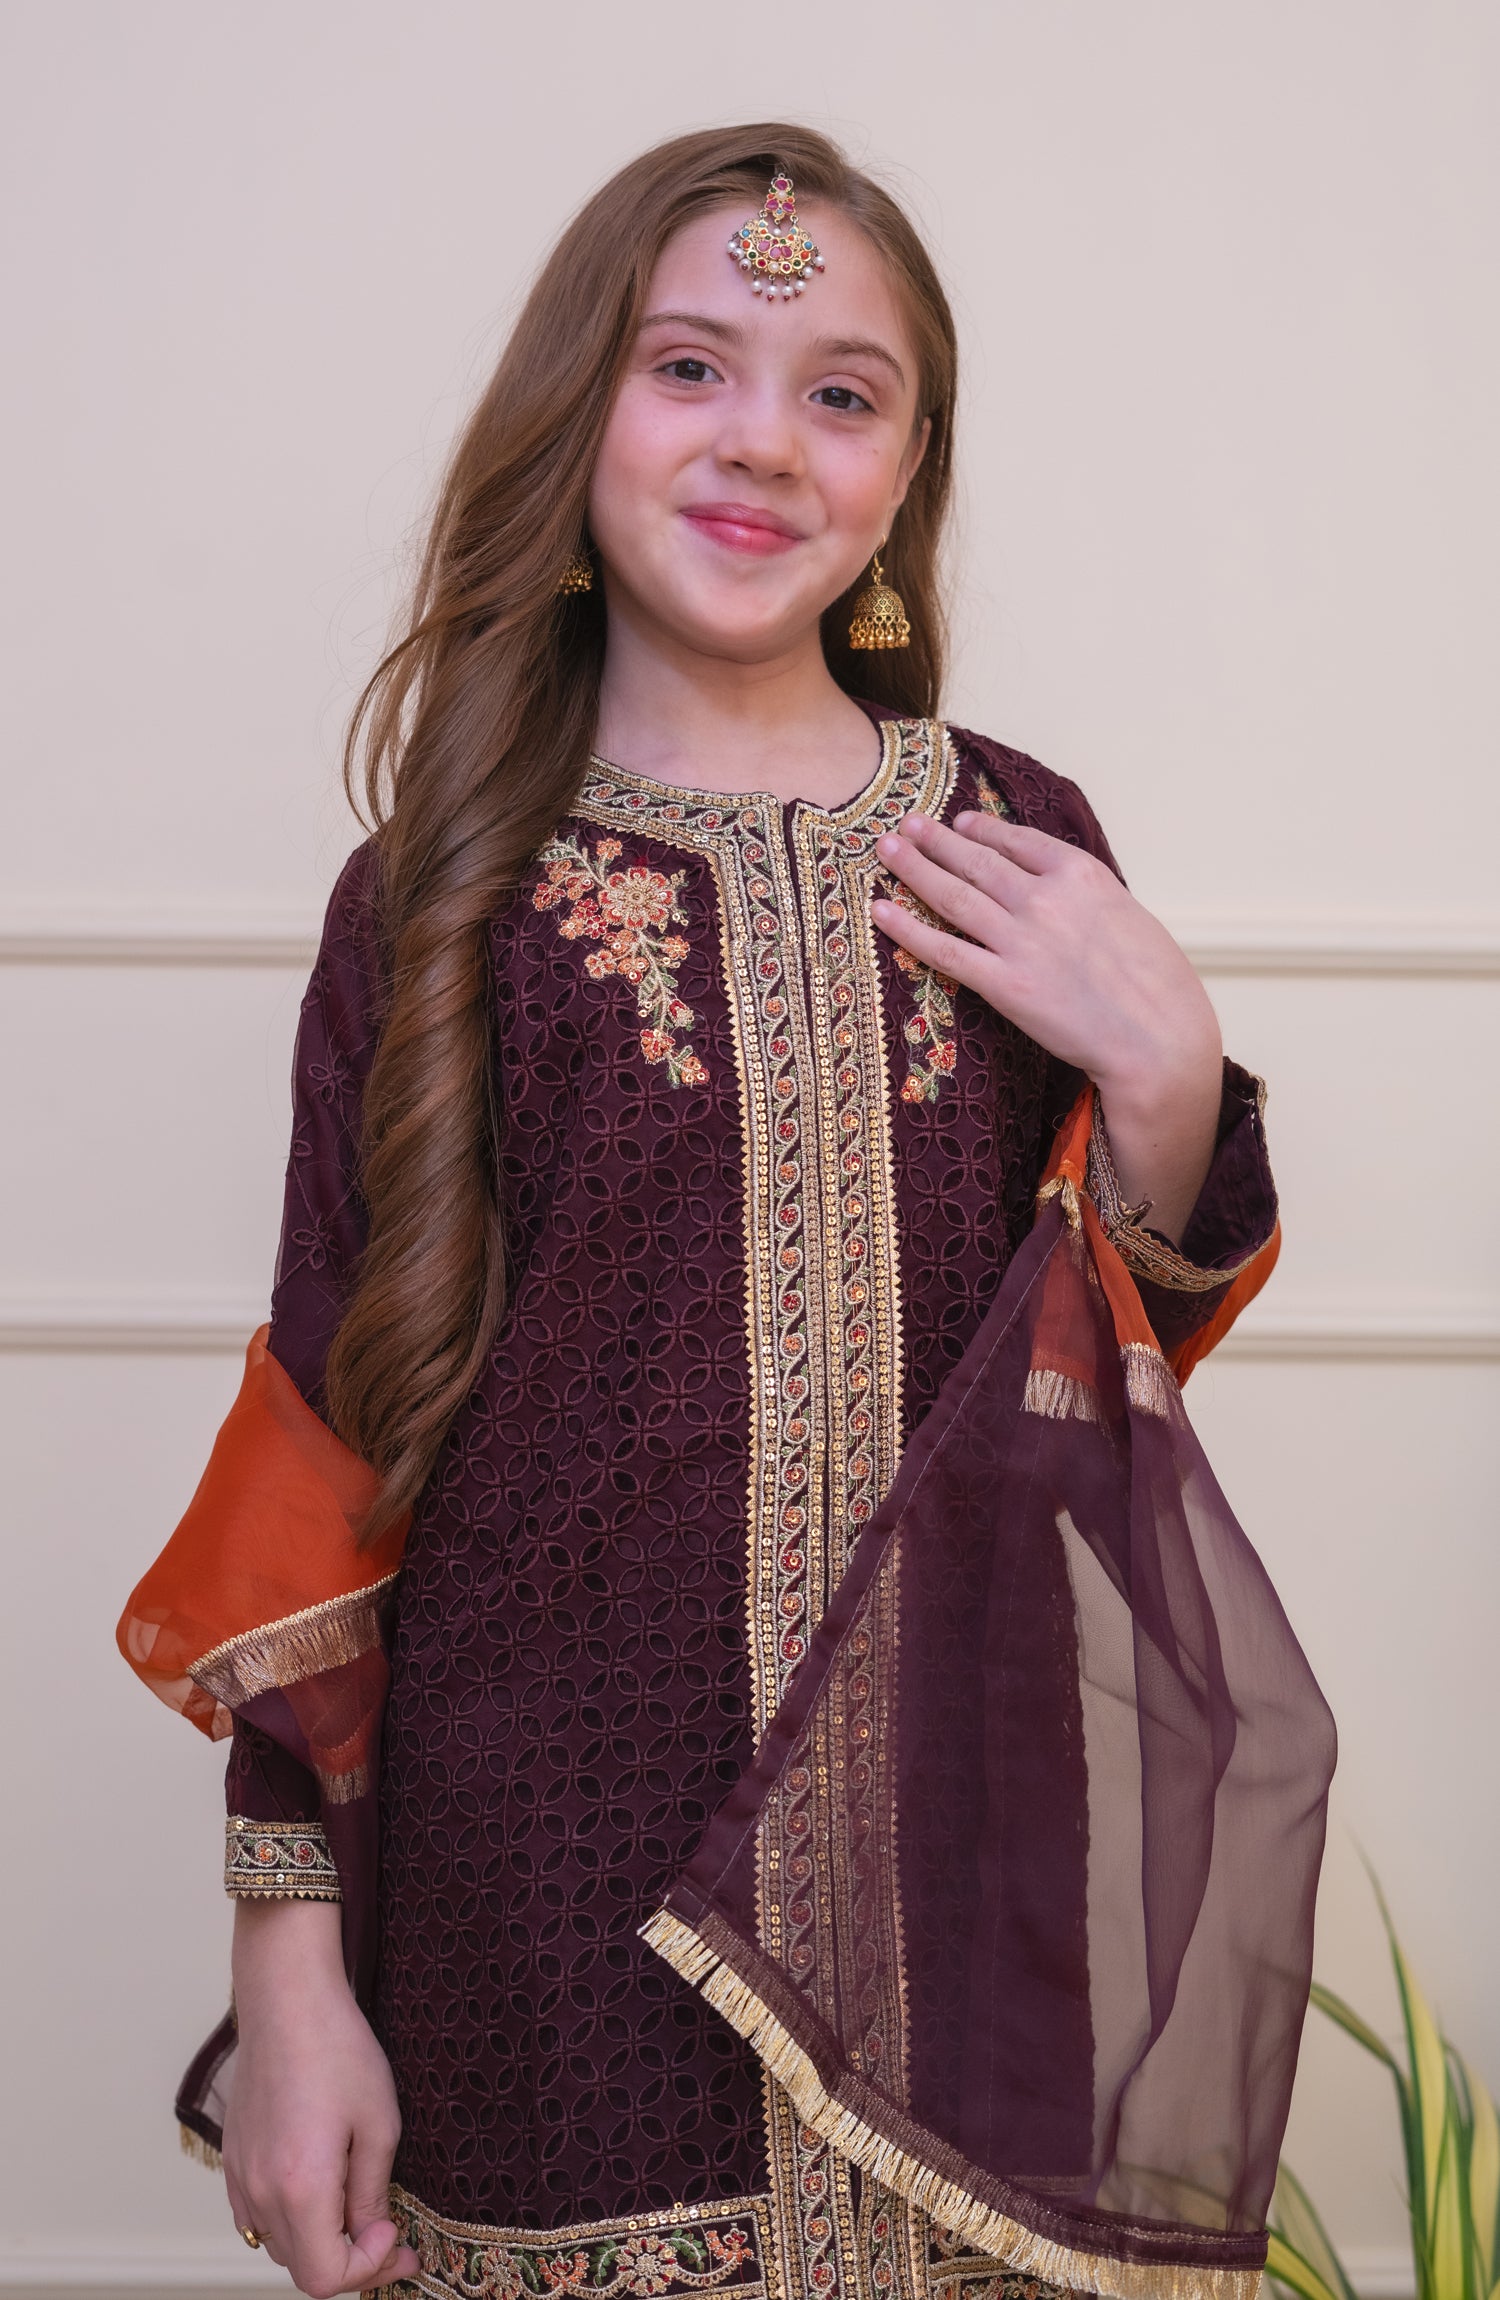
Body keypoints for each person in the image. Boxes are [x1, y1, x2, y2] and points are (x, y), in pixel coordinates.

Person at [119, 124, 1332, 2300]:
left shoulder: (1008, 840)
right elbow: (325, 1459)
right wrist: (288, 1975)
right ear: (574, 407)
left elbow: (1111, 1363)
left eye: (842, 393)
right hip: (539, 1920)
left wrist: (1166, 1081)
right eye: (689, 367)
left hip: (971, 1890)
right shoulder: (442, 896)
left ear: (908, 468)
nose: (763, 439)